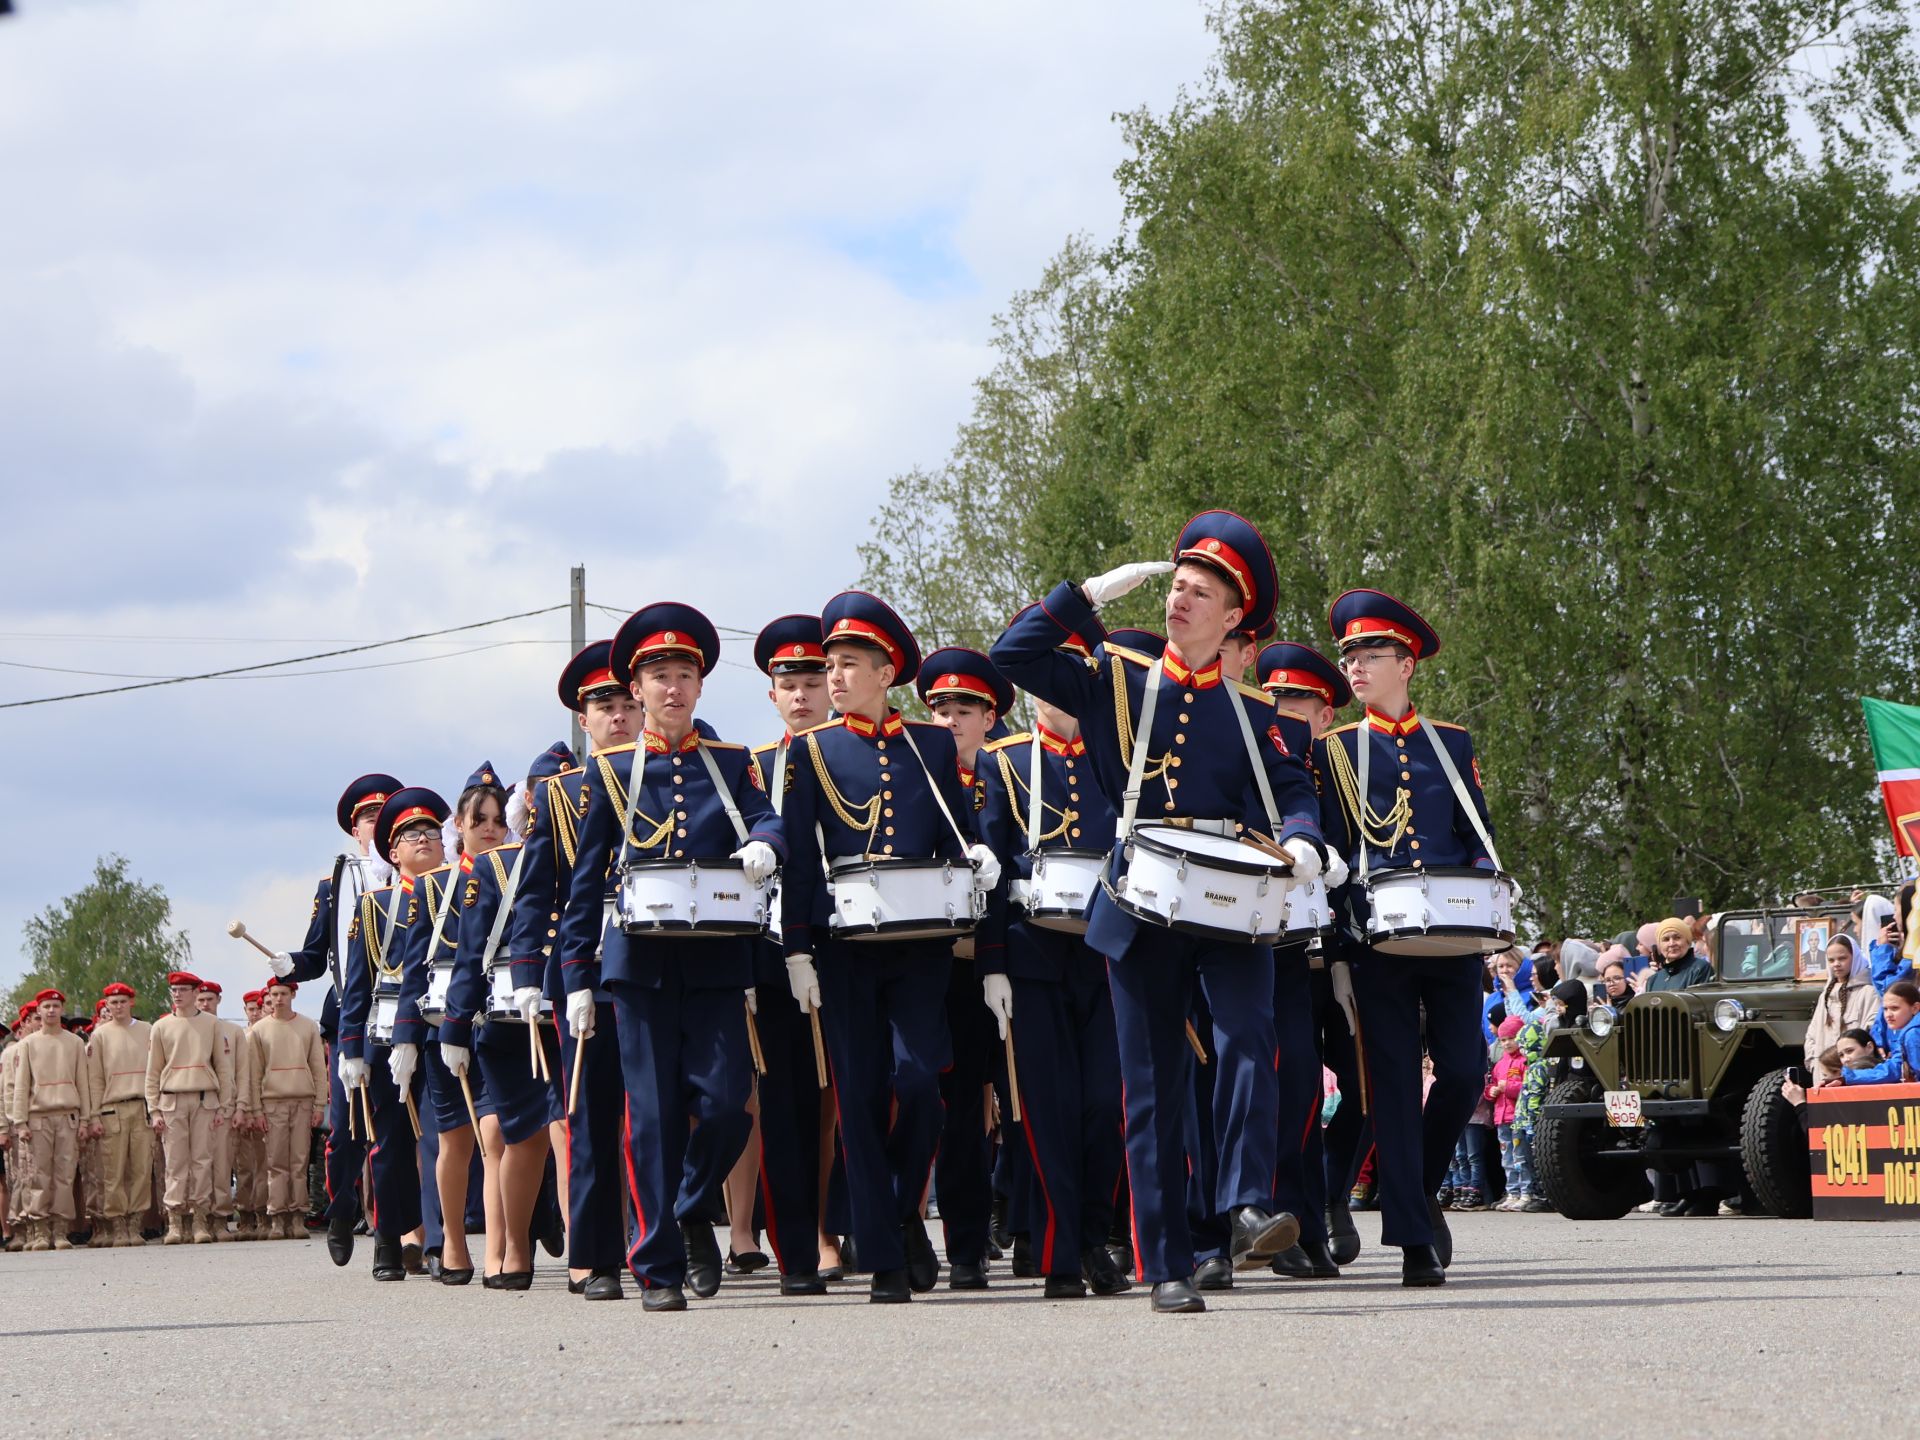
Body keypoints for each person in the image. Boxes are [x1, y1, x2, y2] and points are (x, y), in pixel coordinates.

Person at [990, 513, 1328, 1314]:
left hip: (1227, 901)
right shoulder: (1114, 679)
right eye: (1177, 585)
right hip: (1140, 904)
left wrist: (1307, 838)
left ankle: (1245, 1205)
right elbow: (1013, 656)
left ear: (1234, 619)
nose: (1180, 599)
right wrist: (1083, 598)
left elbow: (1294, 791)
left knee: (1250, 1039)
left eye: (1200, 592)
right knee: (1152, 1089)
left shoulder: (1253, 714)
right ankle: (1168, 1263)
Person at [560, 602, 785, 1312]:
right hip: (640, 968)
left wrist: (766, 843)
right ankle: (656, 1265)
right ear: (638, 688)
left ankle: (690, 1208)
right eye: (659, 676)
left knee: (726, 1108)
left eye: (684, 674)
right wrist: (575, 977)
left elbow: (767, 815)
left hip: (718, 960)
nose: (672, 688)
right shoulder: (611, 771)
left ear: (699, 685)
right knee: (651, 1117)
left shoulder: (729, 763)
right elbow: (583, 880)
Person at [781, 591, 989, 1305]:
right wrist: (796, 951)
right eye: (829, 666)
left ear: (884, 671)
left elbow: (959, 831)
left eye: (846, 665)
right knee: (861, 1096)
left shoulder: (929, 744)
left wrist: (980, 862)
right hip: (843, 949)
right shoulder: (809, 750)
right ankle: (885, 1253)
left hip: (921, 947)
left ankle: (903, 1212)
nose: (833, 678)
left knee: (919, 1086)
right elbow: (801, 862)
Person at [1316, 588, 1498, 1286]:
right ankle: (1414, 1240)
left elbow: (1475, 835)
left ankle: (1416, 1184)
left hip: (1451, 931)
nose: (1356, 667)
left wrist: (1489, 882)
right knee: (1389, 1083)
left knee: (1462, 1070)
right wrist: (1336, 952)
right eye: (1350, 656)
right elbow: (1330, 858)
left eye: (1371, 654)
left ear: (1407, 664)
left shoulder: (1450, 744)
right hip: (1375, 939)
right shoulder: (1334, 750)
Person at [975, 622, 1132, 1299]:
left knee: (1105, 1103)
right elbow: (986, 871)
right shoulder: (1001, 761)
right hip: (1034, 953)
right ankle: (1062, 1250)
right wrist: (992, 963)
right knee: (1047, 1107)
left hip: (1107, 950)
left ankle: (1098, 1233)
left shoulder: (1117, 759)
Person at [512, 645, 628, 1301]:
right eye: (603, 706)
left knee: (658, 1113)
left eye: (625, 704)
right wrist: (530, 974)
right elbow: (535, 892)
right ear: (584, 718)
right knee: (586, 1116)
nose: (617, 715)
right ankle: (592, 1254)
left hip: (659, 958)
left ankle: (651, 1238)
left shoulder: (677, 775)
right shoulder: (562, 794)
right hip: (584, 968)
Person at [443, 745, 571, 1288]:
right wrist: (453, 1027)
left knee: (573, 1131)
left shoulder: (602, 851)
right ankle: (513, 1249)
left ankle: (590, 1250)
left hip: (574, 1008)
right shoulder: (498, 865)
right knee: (520, 1137)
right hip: (509, 1018)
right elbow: (471, 951)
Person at [1257, 638, 1362, 1277]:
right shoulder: (1261, 764)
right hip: (1284, 952)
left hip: (1344, 958)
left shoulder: (1347, 771)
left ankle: (1333, 1193)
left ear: (1325, 714)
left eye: (1297, 701)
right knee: (1290, 1086)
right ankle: (1296, 1221)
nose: (1284, 710)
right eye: (1276, 699)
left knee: (1367, 1090)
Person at [917, 644, 1017, 1290]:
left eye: (965, 709)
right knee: (955, 1113)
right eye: (941, 709)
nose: (952, 720)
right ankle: (965, 1244)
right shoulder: (918, 782)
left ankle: (1032, 1228)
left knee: (1022, 1104)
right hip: (944, 966)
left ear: (990, 717)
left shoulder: (1014, 778)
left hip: (1012, 961)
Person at [272, 771, 402, 1266]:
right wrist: (291, 964)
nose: (378, 823)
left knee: (392, 1133)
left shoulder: (416, 876)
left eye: (386, 813)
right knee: (346, 1131)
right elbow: (314, 955)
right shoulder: (335, 884)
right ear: (355, 830)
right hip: (349, 1015)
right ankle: (343, 1209)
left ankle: (389, 1241)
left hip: (401, 1014)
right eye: (370, 817)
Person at [746, 615, 838, 1296]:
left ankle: (850, 1224)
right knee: (787, 1108)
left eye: (813, 683)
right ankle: (797, 1250)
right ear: (773, 696)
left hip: (851, 941)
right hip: (774, 951)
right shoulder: (751, 769)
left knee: (860, 1097)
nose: (803, 696)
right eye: (791, 686)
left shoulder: (856, 757)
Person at [395, 764, 508, 1284]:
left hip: (500, 1021)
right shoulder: (434, 887)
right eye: (479, 819)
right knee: (455, 1142)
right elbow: (414, 968)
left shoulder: (516, 873)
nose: (490, 828)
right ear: (458, 827)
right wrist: (406, 1039)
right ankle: (454, 1244)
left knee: (498, 1137)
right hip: (445, 1025)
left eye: (499, 820)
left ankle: (501, 1251)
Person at [338, 786, 450, 1281]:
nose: (423, 839)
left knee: (442, 1138)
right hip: (383, 1036)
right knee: (390, 1142)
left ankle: (438, 1240)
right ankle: (388, 1238)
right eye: (410, 835)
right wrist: (350, 1051)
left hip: (445, 1028)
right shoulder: (373, 906)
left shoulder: (462, 893)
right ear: (393, 852)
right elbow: (357, 984)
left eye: (431, 832)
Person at [144, 972, 235, 1245]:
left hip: (204, 1099)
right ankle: (175, 1222)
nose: (178, 994)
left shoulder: (212, 1024)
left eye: (183, 989)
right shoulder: (160, 1027)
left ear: (196, 992)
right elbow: (153, 1072)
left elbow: (223, 1067)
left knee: (203, 1162)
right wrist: (154, 1109)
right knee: (175, 1164)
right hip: (171, 1100)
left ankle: (199, 1220)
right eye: (174, 990)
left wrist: (224, 1106)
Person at [6, 990, 96, 1252]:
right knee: (38, 1175)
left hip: (67, 1115)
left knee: (65, 1175)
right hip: (37, 1117)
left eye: (56, 1006)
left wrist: (85, 1119)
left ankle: (60, 1230)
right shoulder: (28, 1044)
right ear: (39, 1010)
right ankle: (40, 1229)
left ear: (61, 1009)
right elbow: (21, 1086)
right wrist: (20, 1121)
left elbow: (83, 1083)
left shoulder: (74, 1043)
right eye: (46, 1007)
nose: (51, 1011)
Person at [246, 976, 327, 1238]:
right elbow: (254, 1073)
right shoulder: (260, 1030)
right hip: (272, 1102)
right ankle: (277, 1217)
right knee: (276, 1161)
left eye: (283, 994)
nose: (279, 999)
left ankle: (298, 1216)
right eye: (274, 994)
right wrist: (256, 1109)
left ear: (292, 995)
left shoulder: (307, 1026)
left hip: (302, 1101)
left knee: (300, 1161)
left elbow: (318, 1067)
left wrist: (319, 1104)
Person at [196, 980, 250, 1240]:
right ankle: (198, 1219)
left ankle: (219, 1219)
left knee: (221, 1167)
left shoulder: (232, 1031)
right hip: (196, 1106)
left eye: (209, 999)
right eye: (201, 999)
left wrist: (241, 1106)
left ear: (218, 1000)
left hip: (225, 1108)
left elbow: (242, 1072)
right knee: (196, 1166)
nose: (205, 1004)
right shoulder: (191, 1029)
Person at [1805, 935, 1882, 1075]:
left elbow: (1872, 1031)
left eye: (1842, 958)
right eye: (1831, 960)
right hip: (1824, 1075)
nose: (1836, 964)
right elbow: (1812, 1035)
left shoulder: (1868, 992)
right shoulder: (1825, 996)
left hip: (1857, 1074)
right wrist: (1815, 1064)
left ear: (1855, 957)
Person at [1840, 981, 1919, 1085]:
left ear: (1915, 1008)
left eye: (1895, 1008)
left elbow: (1894, 1070)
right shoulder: (1910, 1032)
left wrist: (1848, 1077)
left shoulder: (1912, 1034)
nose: (1888, 1015)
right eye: (1885, 1009)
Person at [1486, 1016, 1526, 1211]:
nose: (1507, 1042)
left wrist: (1508, 1087)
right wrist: (1491, 1091)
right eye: (1503, 1040)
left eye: (1511, 1037)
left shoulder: (1524, 1061)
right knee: (1507, 1159)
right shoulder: (1500, 1064)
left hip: (1517, 1118)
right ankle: (1512, 1192)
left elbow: (1527, 1088)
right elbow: (1492, 1085)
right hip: (1501, 1118)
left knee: (1521, 1157)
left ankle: (1526, 1192)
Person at [1646, 918, 1713, 991]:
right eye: (1666, 939)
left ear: (1688, 941)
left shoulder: (1700, 969)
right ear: (1659, 945)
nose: (1671, 943)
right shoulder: (1652, 980)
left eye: (1677, 938)